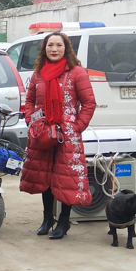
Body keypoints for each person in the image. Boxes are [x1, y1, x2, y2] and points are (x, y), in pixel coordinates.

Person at [19, 31, 96, 239]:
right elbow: (30, 101)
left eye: (59, 45)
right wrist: (31, 121)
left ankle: (64, 221)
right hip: (42, 133)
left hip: (68, 135)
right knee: (45, 176)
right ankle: (47, 219)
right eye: (50, 45)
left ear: (66, 48)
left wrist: (77, 126)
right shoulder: (38, 73)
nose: (54, 49)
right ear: (44, 49)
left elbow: (89, 103)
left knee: (66, 178)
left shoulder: (77, 72)